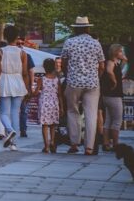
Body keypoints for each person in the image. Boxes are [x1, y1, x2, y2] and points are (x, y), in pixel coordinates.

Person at [61, 16, 105, 155]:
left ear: (75, 28)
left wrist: (68, 75)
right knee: (91, 114)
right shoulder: (95, 43)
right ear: (88, 28)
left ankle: (74, 144)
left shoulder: (69, 42)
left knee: (72, 111)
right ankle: (89, 147)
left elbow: (63, 62)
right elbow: (102, 65)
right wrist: (96, 77)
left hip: (73, 82)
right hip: (92, 83)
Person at [0, 25, 29, 151]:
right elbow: (25, 72)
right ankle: (13, 143)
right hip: (18, 81)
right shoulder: (23, 53)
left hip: (5, 80)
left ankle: (9, 130)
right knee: (16, 112)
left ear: (5, 36)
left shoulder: (0, 51)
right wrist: (27, 88)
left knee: (4, 112)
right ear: (17, 37)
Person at [102, 44, 127, 151]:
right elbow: (109, 71)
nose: (122, 53)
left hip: (109, 95)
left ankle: (106, 143)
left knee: (108, 120)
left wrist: (124, 61)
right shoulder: (110, 62)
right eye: (120, 51)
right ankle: (116, 144)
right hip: (114, 95)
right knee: (117, 120)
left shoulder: (116, 63)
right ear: (115, 52)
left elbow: (120, 72)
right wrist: (114, 81)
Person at [36, 58, 62, 154]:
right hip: (54, 102)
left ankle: (46, 146)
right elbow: (59, 94)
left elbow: (35, 92)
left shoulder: (41, 79)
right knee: (53, 125)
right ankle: (52, 142)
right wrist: (62, 107)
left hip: (44, 103)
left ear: (44, 67)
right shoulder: (57, 80)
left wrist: (33, 93)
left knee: (45, 125)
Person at [17, 35, 35, 138]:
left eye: (22, 44)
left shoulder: (27, 56)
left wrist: (31, 85)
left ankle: (23, 129)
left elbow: (31, 71)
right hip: (15, 85)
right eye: (18, 43)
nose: (20, 46)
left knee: (23, 109)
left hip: (24, 85)